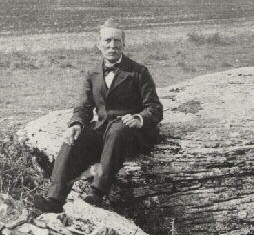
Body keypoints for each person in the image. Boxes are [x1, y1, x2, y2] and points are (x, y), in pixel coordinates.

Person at [33, 19, 163, 212]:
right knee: (72, 140)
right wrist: (76, 124)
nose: (112, 46)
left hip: (131, 134)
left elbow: (155, 108)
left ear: (124, 44)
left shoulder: (139, 72)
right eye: (108, 41)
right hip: (104, 131)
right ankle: (54, 199)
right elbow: (83, 107)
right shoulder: (92, 73)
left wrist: (138, 119)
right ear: (99, 45)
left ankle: (98, 192)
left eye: (117, 41)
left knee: (118, 130)